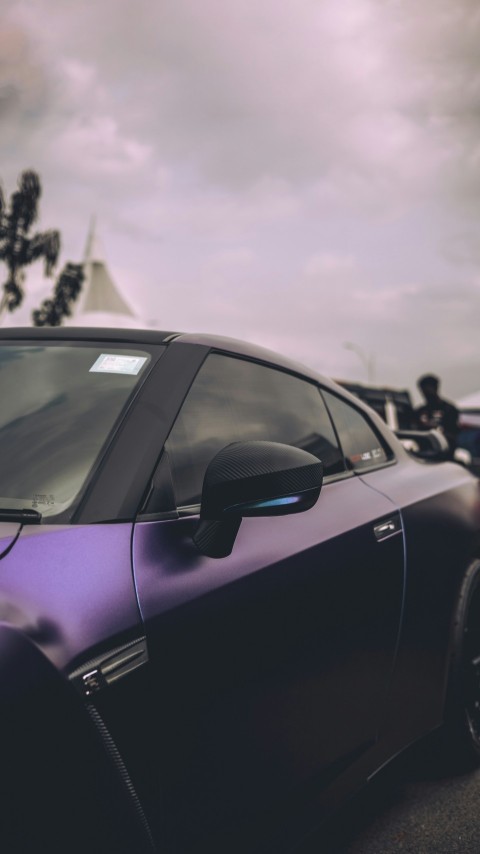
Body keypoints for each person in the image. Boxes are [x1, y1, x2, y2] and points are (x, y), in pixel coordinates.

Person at [415, 373, 459, 457]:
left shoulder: (449, 409)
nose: (425, 393)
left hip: (445, 452)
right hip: (423, 452)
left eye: (428, 390)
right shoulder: (419, 411)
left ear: (436, 388)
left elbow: (453, 433)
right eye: (423, 391)